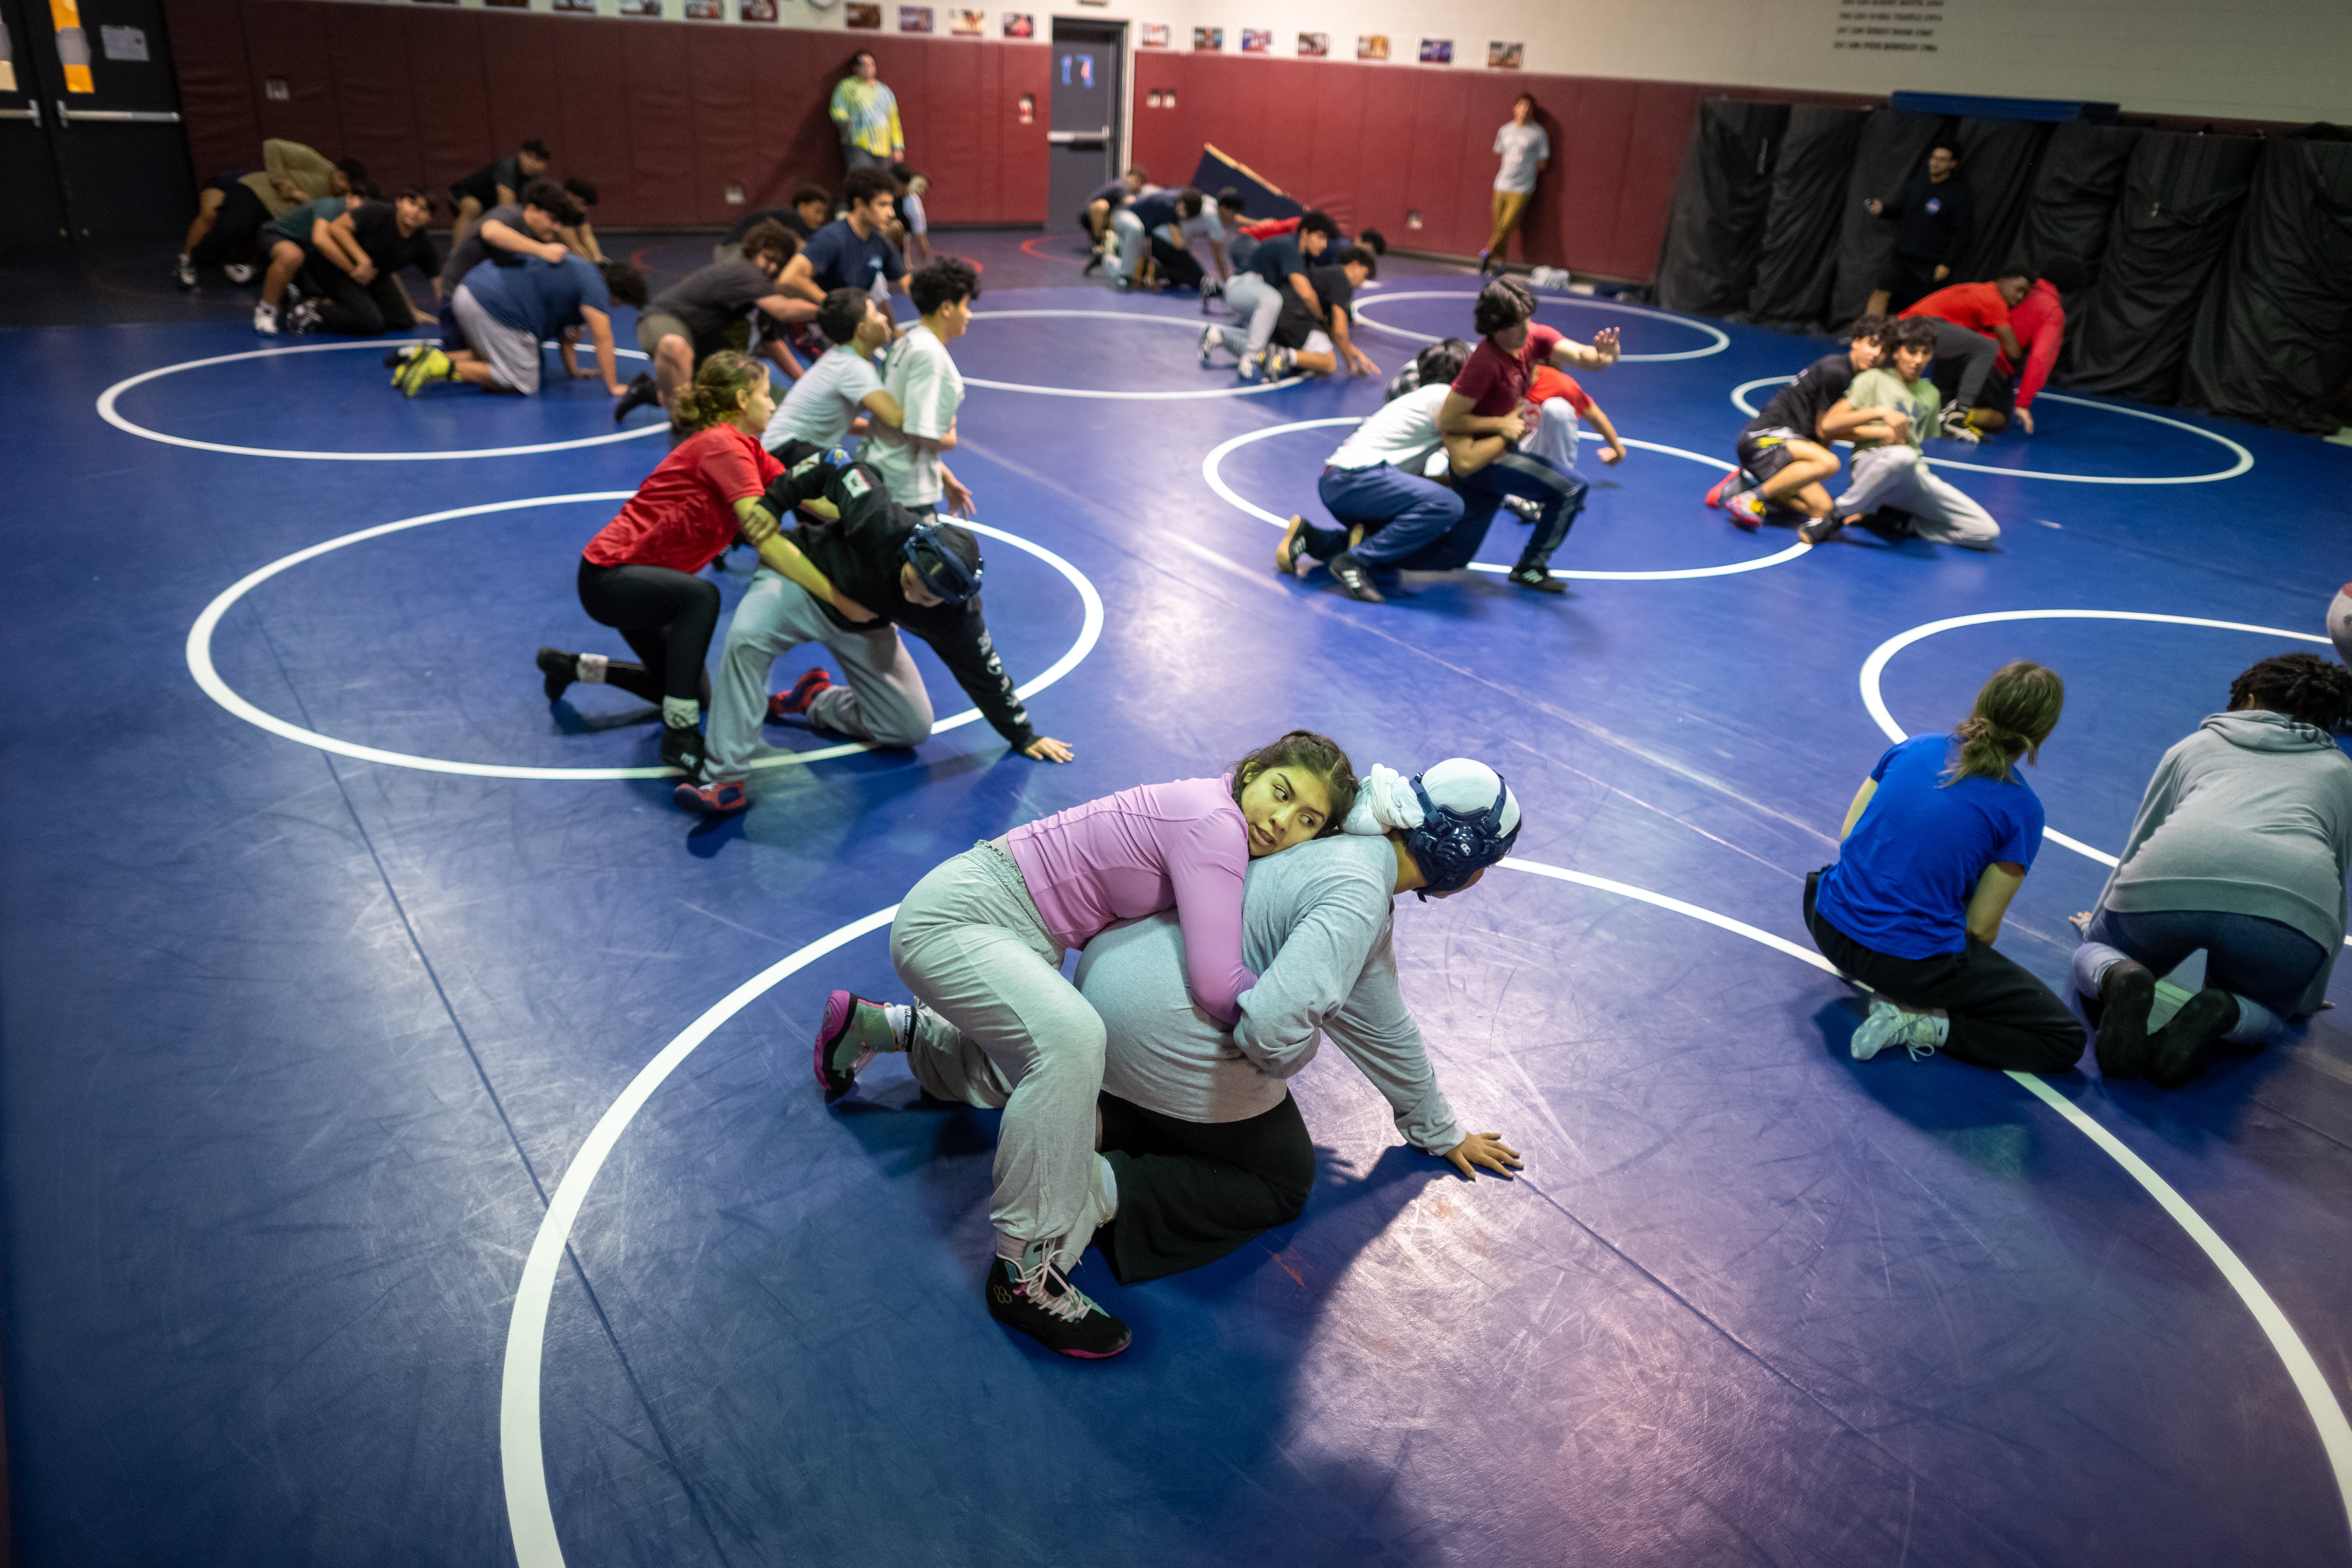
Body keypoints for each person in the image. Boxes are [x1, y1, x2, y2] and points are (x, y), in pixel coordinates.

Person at [810, 732, 1361, 1357]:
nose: (1281, 820)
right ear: (1253, 772)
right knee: (1069, 1043)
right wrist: (1297, 1016)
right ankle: (1023, 1274)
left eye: (1306, 819)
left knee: (1042, 1061)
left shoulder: (1208, 807)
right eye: (1280, 793)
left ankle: (883, 1028)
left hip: (994, 914)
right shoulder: (1215, 825)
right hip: (959, 919)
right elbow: (1218, 986)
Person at [1072, 759, 1525, 1285]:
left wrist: (1439, 1130)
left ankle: (1101, 1112)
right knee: (1280, 1179)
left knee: (1250, 1104)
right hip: (1153, 1031)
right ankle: (1088, 1192)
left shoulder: (1343, 844)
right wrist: (1299, 1056)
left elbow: (1380, 1019)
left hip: (1106, 979)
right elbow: (1269, 1029)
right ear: (1461, 860)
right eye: (1486, 867)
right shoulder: (1359, 895)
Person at [680, 441, 1073, 814]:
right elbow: (834, 461)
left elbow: (985, 672)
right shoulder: (883, 521)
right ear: (911, 553)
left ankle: (815, 699)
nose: (912, 599)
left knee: (909, 728)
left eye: (924, 599)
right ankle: (724, 780)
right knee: (747, 639)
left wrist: (1023, 735)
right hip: (803, 581)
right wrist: (774, 501)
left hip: (864, 622)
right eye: (909, 583)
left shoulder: (955, 615)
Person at [535, 352, 863, 784]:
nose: (773, 406)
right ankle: (680, 735)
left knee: (686, 689)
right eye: (767, 395)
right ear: (743, 399)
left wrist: (865, 510)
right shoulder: (722, 445)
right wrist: (835, 597)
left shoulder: (749, 451)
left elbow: (809, 501)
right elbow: (761, 531)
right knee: (702, 597)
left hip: (646, 585)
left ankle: (574, 667)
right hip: (611, 578)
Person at [2071, 654, 2352, 1088]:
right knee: (2268, 1015)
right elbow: (2337, 882)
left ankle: (2119, 975)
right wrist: (2304, 997)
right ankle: (2225, 1010)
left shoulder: (2195, 746)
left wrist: (2100, 933)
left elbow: (2141, 842)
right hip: (2289, 906)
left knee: (2095, 958)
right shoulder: (2341, 773)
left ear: (2252, 700)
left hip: (2171, 881)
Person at [1804, 660, 2084, 1072]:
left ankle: (1884, 970)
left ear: (1981, 702)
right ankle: (1922, 1023)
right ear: (2041, 733)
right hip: (1903, 965)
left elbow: (1850, 836)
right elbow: (1980, 929)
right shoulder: (2021, 809)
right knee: (2064, 1039)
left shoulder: (1913, 747)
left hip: (1827, 922)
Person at [1437, 277, 1622, 593]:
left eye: (1528, 320)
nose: (1527, 331)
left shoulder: (1532, 337)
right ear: (1494, 329)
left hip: (1499, 454)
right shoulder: (1484, 363)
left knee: (1455, 555)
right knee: (1571, 489)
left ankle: (1363, 544)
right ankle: (1531, 567)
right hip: (1485, 459)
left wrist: (1603, 357)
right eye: (1517, 326)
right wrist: (1500, 425)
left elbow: (1581, 356)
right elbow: (1448, 420)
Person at [1276, 339, 1471, 603]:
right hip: (1356, 480)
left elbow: (1419, 482)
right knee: (1449, 505)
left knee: (1397, 534)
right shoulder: (1444, 396)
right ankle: (1353, 561)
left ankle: (1314, 539)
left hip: (1338, 481)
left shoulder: (1419, 398)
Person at [1703, 314, 1893, 541]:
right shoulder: (1839, 372)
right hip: (1763, 438)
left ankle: (1747, 485)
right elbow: (1826, 431)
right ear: (1856, 341)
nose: (1876, 355)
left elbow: (1824, 435)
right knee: (1829, 463)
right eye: (1872, 345)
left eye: (1883, 351)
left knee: (1823, 510)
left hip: (1789, 450)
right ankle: (1752, 498)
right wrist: (1881, 433)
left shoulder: (1858, 379)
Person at [1818, 315, 2000, 549]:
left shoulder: (1931, 394)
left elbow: (1919, 442)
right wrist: (1880, 417)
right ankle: (1839, 514)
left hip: (1911, 476)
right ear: (1896, 352)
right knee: (1902, 455)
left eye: (1926, 353)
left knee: (1986, 532)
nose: (1919, 360)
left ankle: (1902, 523)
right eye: (1912, 352)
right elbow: (1830, 425)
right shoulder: (1873, 379)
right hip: (1871, 465)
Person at [615, 221, 803, 430]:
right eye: (769, 259)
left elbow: (772, 341)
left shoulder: (765, 291)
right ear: (754, 251)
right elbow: (784, 310)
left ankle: (650, 392)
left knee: (748, 403)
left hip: (704, 346)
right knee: (675, 347)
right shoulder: (744, 272)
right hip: (667, 322)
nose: (773, 268)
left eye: (780, 264)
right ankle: (686, 429)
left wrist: (804, 381)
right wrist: (825, 305)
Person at [394, 251, 642, 398]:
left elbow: (567, 336)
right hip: (494, 305)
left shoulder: (580, 272)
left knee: (491, 356)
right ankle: (440, 367)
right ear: (617, 295)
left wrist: (574, 372)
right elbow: (603, 335)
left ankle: (421, 358)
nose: (613, 309)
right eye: (618, 305)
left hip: (471, 291)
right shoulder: (597, 288)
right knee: (521, 381)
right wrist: (613, 387)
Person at [1914, 259, 2089, 436]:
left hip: (1956, 356)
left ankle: (1937, 412)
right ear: (2071, 290)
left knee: (1940, 401)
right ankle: (1956, 416)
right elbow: (2040, 358)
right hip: (1991, 367)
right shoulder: (2052, 311)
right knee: (2000, 419)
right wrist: (2023, 403)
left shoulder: (2004, 290)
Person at [860, 257, 978, 515]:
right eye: (966, 305)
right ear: (947, 308)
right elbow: (919, 432)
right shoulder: (931, 356)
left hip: (881, 469)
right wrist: (950, 439)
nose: (969, 314)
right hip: (904, 489)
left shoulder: (907, 342)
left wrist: (943, 476)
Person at [175, 141, 362, 288]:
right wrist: (281, 182)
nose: (343, 186)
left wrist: (299, 197)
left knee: (279, 244)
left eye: (348, 184)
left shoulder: (339, 200)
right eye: (342, 178)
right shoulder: (320, 165)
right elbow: (272, 146)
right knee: (235, 227)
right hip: (255, 192)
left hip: (276, 217)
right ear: (336, 170)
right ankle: (192, 261)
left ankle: (249, 268)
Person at [429, 180, 581, 357]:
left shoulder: (538, 234)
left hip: (486, 300)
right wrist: (542, 250)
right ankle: (419, 361)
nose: (557, 228)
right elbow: (491, 232)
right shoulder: (509, 215)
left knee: (491, 359)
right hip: (457, 295)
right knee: (461, 363)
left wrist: (570, 322)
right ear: (532, 210)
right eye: (553, 220)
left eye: (561, 223)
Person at [1198, 209, 1338, 381]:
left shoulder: (1300, 255)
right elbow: (1306, 294)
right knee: (1273, 300)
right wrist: (1322, 320)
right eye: (1321, 237)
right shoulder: (1291, 248)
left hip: (1250, 293)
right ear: (1305, 233)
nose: (1324, 245)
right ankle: (1250, 359)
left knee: (1266, 344)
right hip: (1240, 287)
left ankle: (1218, 336)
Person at [759, 288, 904, 452]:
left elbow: (830, 421)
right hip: (785, 451)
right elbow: (895, 417)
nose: (884, 317)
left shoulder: (841, 357)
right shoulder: (853, 367)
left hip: (781, 448)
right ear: (863, 330)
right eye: (876, 314)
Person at [285, 188, 441, 338]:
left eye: (424, 209)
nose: (416, 211)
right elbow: (337, 228)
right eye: (412, 203)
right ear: (399, 202)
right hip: (331, 266)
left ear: (429, 218)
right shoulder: (378, 212)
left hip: (371, 276)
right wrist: (362, 260)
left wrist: (449, 313)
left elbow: (437, 279)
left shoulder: (422, 243)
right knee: (372, 323)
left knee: (404, 322)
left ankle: (347, 306)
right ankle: (313, 309)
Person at [1898, 274, 2029, 438]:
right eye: (2019, 290)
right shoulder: (1993, 300)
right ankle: (1960, 412)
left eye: (2025, 294)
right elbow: (2013, 352)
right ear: (2003, 280)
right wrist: (2027, 369)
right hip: (1919, 326)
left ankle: (1940, 411)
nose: (2020, 297)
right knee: (1987, 347)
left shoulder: (1982, 291)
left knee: (1963, 350)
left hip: (1915, 325)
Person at [1862, 144, 1973, 316]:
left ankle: (1911, 342)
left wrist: (1946, 263)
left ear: (1952, 164)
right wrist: (1883, 209)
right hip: (1900, 254)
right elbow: (1899, 210)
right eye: (1934, 158)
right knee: (1881, 292)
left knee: (1922, 307)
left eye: (1942, 160)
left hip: (1928, 262)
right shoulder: (1915, 184)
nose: (1935, 163)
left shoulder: (1958, 194)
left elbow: (1961, 232)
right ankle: (1867, 335)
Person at [1260, 245, 1380, 381]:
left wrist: (1357, 354)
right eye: (1365, 276)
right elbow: (1340, 333)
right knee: (1329, 362)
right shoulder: (1343, 281)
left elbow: (1331, 330)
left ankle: (1275, 354)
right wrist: (1351, 365)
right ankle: (1283, 355)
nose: (1362, 284)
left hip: (1279, 315)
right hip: (1295, 316)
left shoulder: (1331, 275)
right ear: (1355, 265)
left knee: (1311, 363)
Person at [252, 191, 364, 336]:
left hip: (308, 249)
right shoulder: (331, 206)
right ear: (350, 196)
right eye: (362, 202)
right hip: (276, 234)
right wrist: (354, 271)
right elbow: (320, 240)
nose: (363, 210)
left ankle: (299, 304)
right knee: (292, 255)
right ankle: (266, 310)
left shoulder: (359, 219)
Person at [1108, 186, 1227, 294]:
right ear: (1181, 203)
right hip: (1124, 214)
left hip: (1145, 231)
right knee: (1136, 229)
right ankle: (1126, 276)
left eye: (1186, 214)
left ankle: (1161, 272)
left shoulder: (1179, 200)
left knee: (1187, 266)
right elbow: (1180, 244)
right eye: (1183, 211)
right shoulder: (1169, 208)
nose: (1182, 215)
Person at [1481, 93, 1549, 276]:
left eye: (1529, 107)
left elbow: (1543, 163)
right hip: (1502, 184)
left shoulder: (1539, 133)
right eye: (1522, 106)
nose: (1525, 110)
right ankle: (1499, 263)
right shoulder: (1505, 131)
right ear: (1515, 108)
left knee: (1507, 224)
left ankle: (1488, 251)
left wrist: (1526, 167)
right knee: (1498, 227)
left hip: (1523, 188)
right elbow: (1501, 153)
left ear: (1533, 111)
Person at [449, 139, 551, 253]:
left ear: (545, 165)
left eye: (538, 160)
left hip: (489, 206)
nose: (532, 163)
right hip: (466, 194)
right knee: (473, 208)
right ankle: (458, 252)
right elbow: (506, 208)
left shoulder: (538, 181)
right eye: (529, 156)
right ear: (520, 154)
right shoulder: (508, 168)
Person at [830, 52, 903, 172]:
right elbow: (838, 109)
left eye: (872, 65)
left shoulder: (885, 91)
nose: (869, 68)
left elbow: (894, 121)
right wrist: (845, 120)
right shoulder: (846, 87)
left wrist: (897, 147)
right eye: (864, 65)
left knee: (881, 183)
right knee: (862, 180)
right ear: (855, 68)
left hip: (883, 147)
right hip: (858, 143)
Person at [1079, 166, 1149, 273]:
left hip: (1103, 218)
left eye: (1140, 182)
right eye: (1136, 180)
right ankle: (1098, 243)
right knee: (1103, 206)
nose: (1137, 184)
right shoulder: (1121, 186)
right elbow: (1129, 201)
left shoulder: (1127, 189)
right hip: (1090, 217)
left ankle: (1105, 247)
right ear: (1128, 177)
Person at [892, 163, 933, 266]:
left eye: (894, 183)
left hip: (904, 230)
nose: (891, 186)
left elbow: (920, 237)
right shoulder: (889, 195)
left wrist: (926, 266)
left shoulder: (912, 202)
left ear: (902, 183)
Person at [558, 176, 605, 262]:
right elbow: (574, 246)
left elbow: (587, 235)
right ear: (570, 195)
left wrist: (598, 257)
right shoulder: (558, 206)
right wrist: (591, 265)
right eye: (582, 204)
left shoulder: (577, 210)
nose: (584, 209)